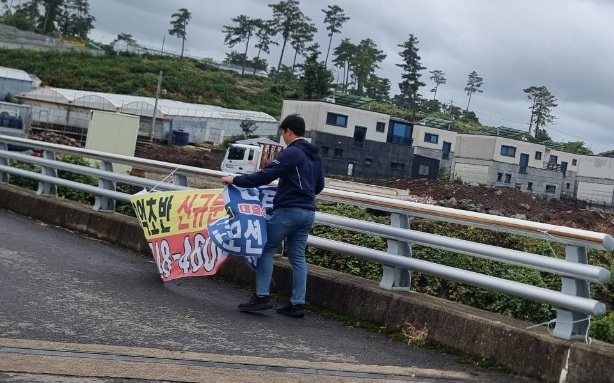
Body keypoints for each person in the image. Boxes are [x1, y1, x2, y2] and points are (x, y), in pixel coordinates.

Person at [221, 114, 324, 318]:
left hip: (289, 211)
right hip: (308, 212)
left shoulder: (292, 152)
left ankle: (261, 297)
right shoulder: (314, 154)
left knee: (266, 247)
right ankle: (297, 303)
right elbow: (319, 186)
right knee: (297, 257)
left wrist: (235, 179)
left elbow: (266, 175)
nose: (283, 138)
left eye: (283, 134)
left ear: (288, 131)